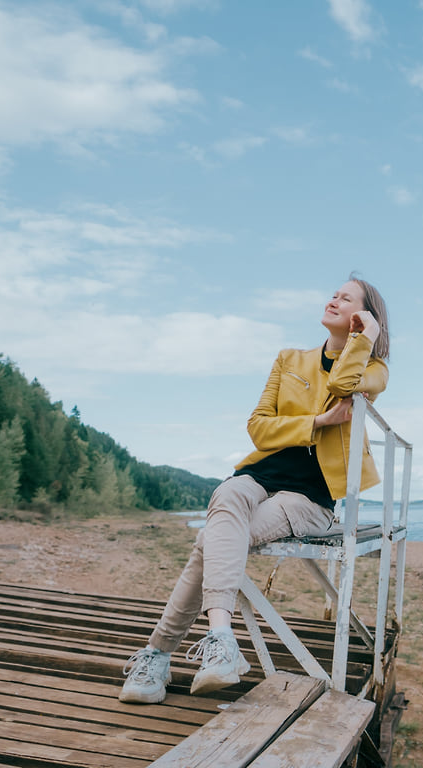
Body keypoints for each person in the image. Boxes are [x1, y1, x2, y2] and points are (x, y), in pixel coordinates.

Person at [118, 275, 390, 703]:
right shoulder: (288, 359)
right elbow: (258, 428)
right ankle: (222, 640)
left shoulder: (374, 368)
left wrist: (365, 338)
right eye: (333, 293)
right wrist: (316, 423)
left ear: (366, 315)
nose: (334, 298)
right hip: (260, 475)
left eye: (347, 298)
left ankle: (157, 654)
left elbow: (342, 385)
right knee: (227, 496)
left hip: (310, 498)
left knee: (213, 539)